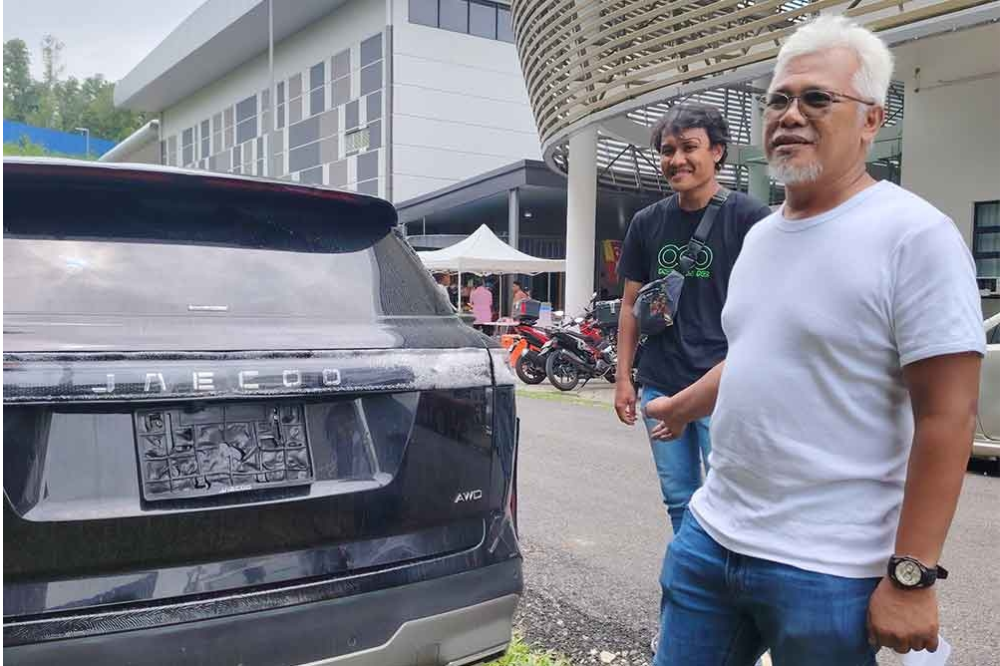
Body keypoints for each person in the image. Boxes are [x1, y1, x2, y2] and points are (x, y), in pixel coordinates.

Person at [645, 16, 985, 665]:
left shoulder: (916, 236)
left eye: (817, 98)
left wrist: (912, 575)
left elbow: (949, 415)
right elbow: (760, 354)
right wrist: (684, 406)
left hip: (828, 571)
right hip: (710, 540)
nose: (790, 114)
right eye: (778, 99)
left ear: (871, 119)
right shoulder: (762, 236)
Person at [615, 103, 771, 536]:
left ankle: (726, 575)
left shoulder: (750, 218)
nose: (676, 159)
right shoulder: (647, 223)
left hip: (725, 385)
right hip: (661, 381)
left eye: (689, 147)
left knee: (731, 499)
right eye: (668, 150)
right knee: (678, 498)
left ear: (717, 151)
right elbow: (629, 305)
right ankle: (693, 574)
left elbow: (772, 309)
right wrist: (624, 379)